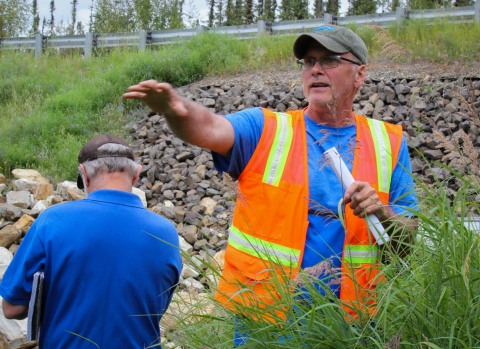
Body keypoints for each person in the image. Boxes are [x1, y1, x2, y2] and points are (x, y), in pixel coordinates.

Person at [123, 25, 418, 345]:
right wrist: (177, 111)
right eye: (308, 61)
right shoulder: (266, 129)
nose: (316, 69)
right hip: (266, 325)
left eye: (330, 60)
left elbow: (407, 240)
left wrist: (382, 213)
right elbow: (209, 127)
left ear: (359, 74)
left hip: (353, 326)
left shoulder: (388, 143)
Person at [0, 134, 182, 348]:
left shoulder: (52, 220)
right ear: (136, 175)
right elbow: (158, 307)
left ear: (84, 174)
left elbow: (12, 309)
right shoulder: (167, 233)